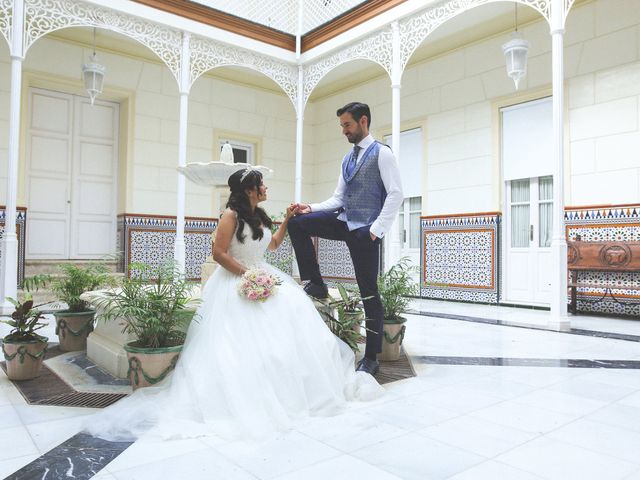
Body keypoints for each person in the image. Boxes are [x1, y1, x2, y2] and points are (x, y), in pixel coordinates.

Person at [84, 165, 382, 442]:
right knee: (237, 346)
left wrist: (288, 220)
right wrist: (248, 275)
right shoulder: (230, 216)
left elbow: (273, 244)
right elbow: (218, 253)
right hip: (235, 282)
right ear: (250, 189)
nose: (265, 187)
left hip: (262, 275)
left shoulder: (260, 215)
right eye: (260, 184)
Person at [289, 102, 403, 377]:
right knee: (297, 223)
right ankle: (316, 283)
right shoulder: (347, 158)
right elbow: (338, 198)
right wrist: (310, 207)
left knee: (368, 292)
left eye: (347, 125)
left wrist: (376, 230)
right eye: (342, 125)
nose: (343, 131)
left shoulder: (382, 154)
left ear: (363, 121)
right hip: (344, 220)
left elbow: (396, 194)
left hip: (366, 231)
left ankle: (372, 356)